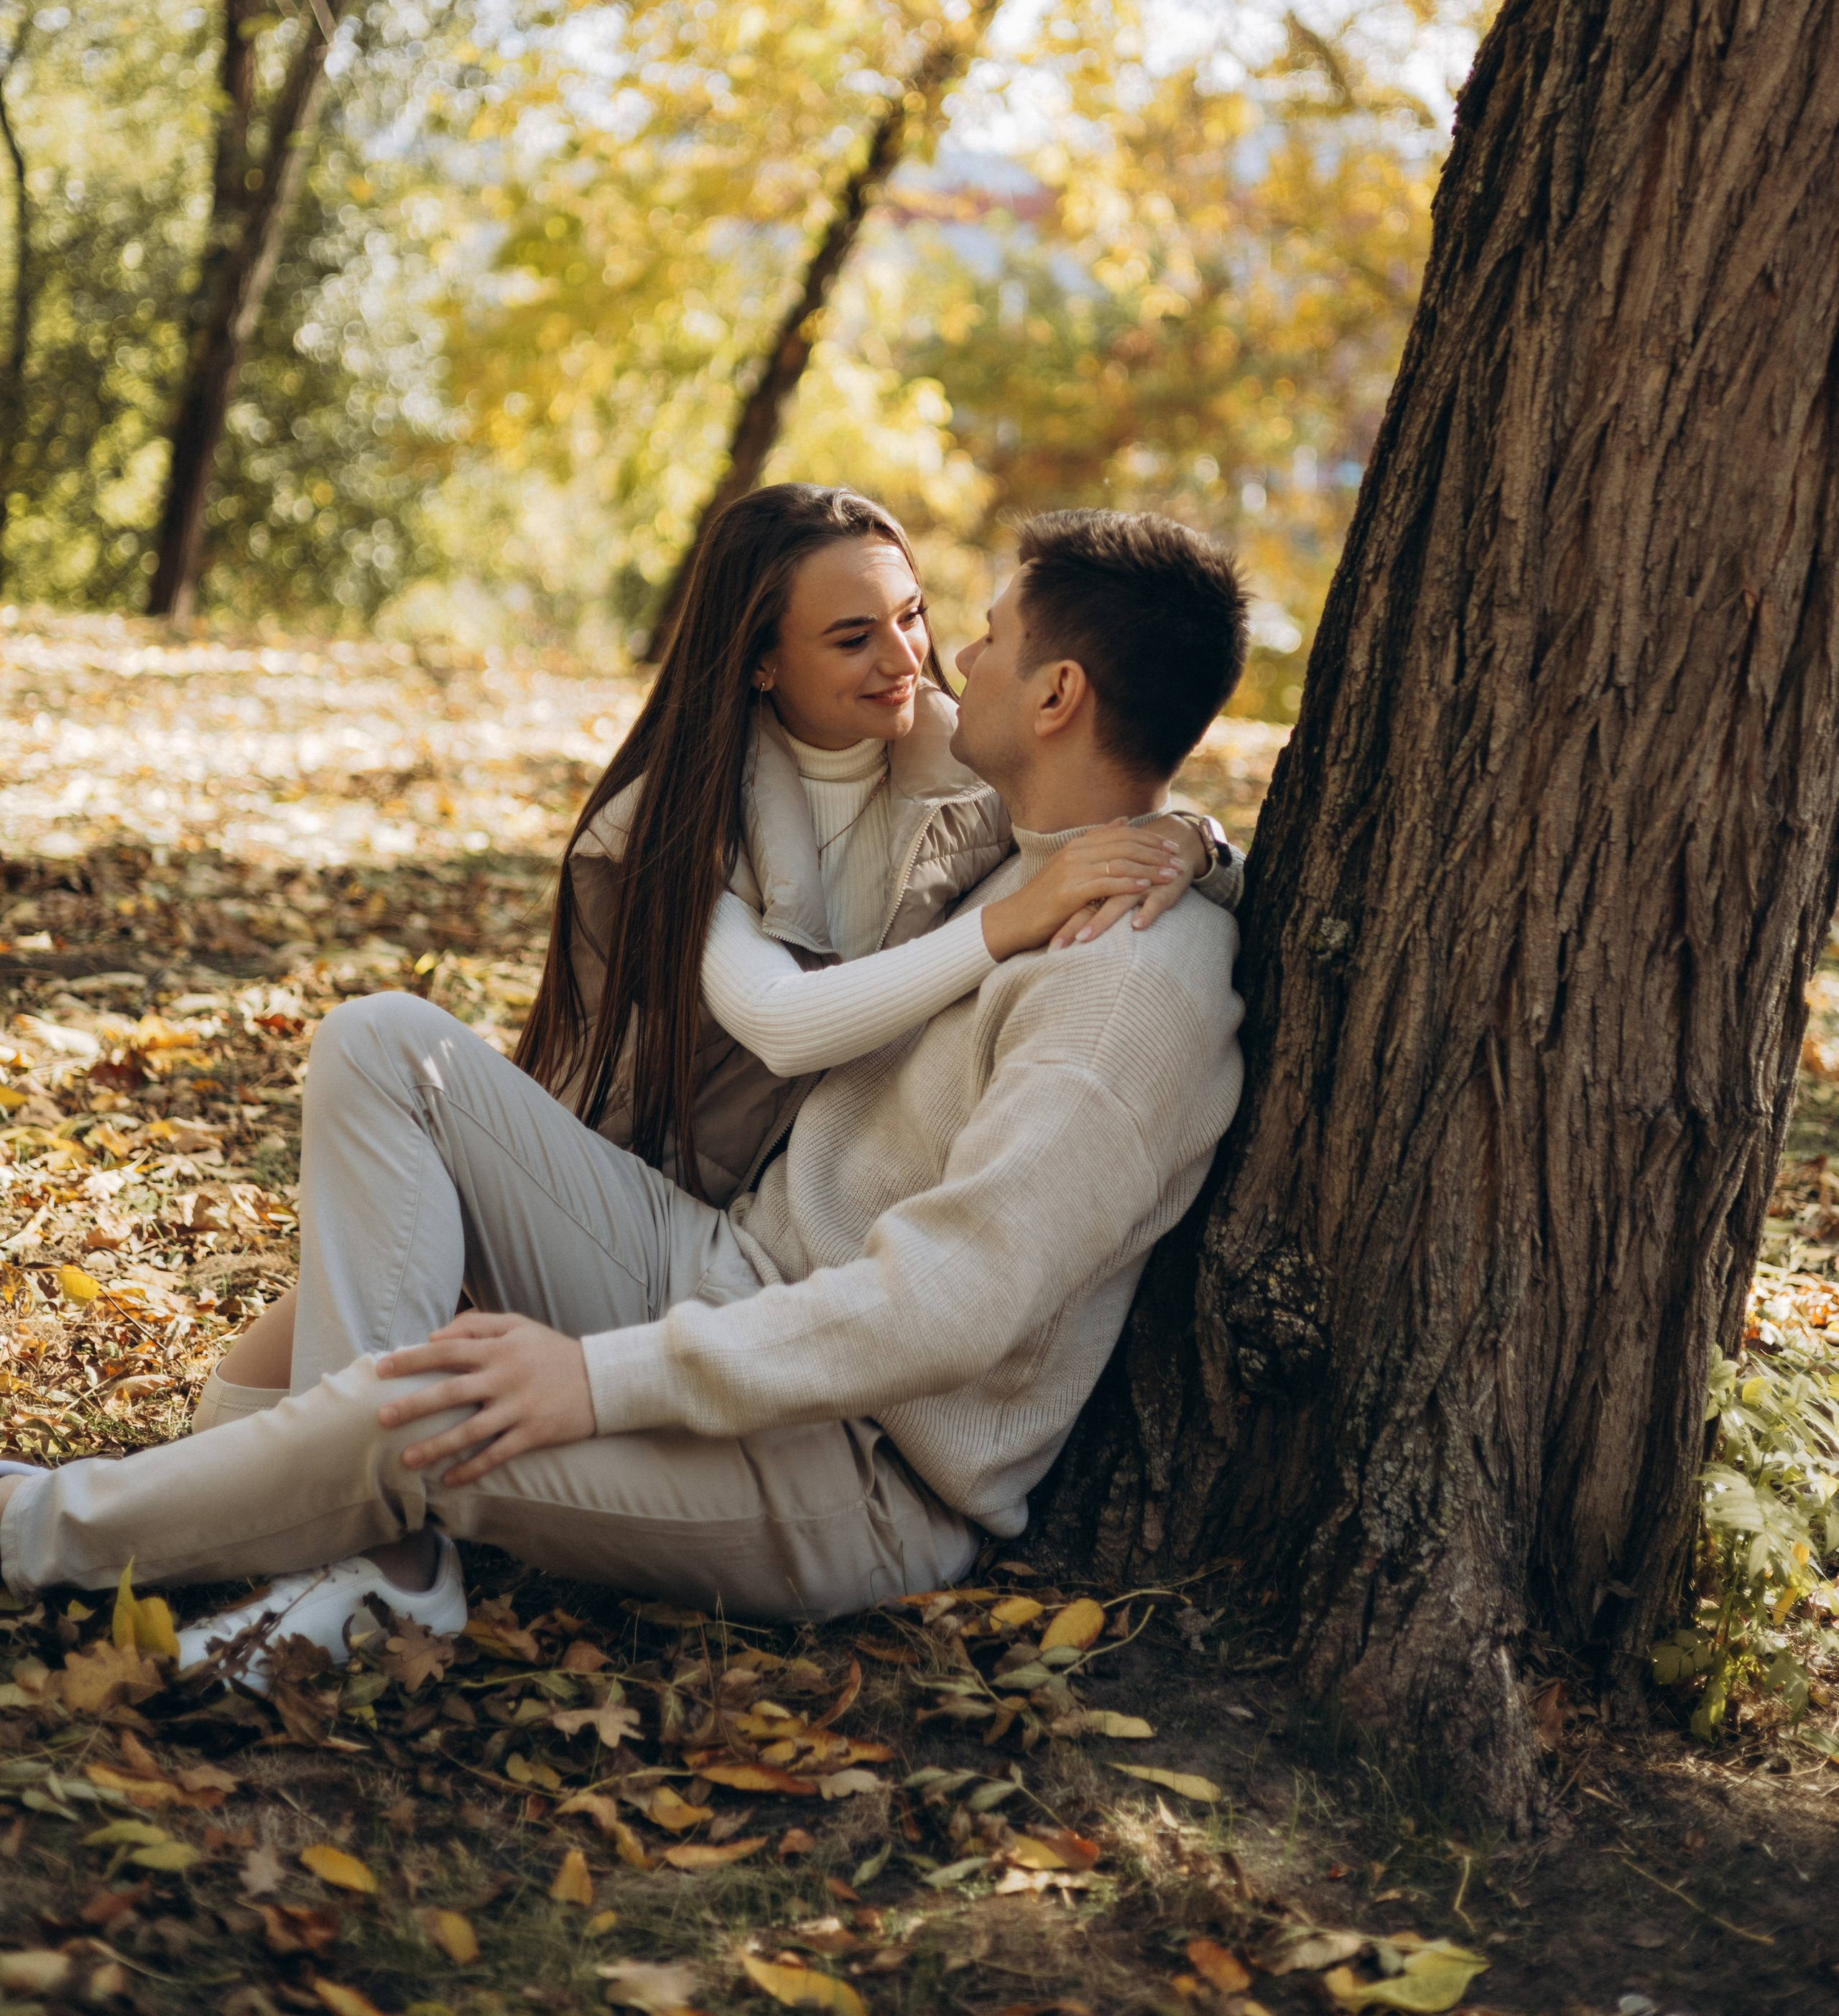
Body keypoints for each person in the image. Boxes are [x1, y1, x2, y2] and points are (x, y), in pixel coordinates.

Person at [0, 508, 1249, 1668]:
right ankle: (374, 1559)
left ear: (1058, 696)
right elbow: (800, 1000)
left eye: (985, 635)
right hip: (723, 1273)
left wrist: (591, 1379)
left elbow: (946, 1309)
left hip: (857, 1466)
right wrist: (1197, 844)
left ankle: (42, 1530)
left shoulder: (1123, 987)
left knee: (419, 1413)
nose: (946, 659)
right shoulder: (1040, 857)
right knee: (386, 1042)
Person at [187, 485, 1239, 1431]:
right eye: (852, 637)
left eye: (913, 616)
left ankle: (315, 1488)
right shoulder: (683, 818)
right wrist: (1007, 925)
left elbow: (1097, 786)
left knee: (348, 1428)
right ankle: (271, 1460)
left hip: (745, 1242)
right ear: (761, 661)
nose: (907, 659)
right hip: (611, 1173)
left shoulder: (963, 769)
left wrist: (1196, 843)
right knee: (246, 1415)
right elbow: (783, 1023)